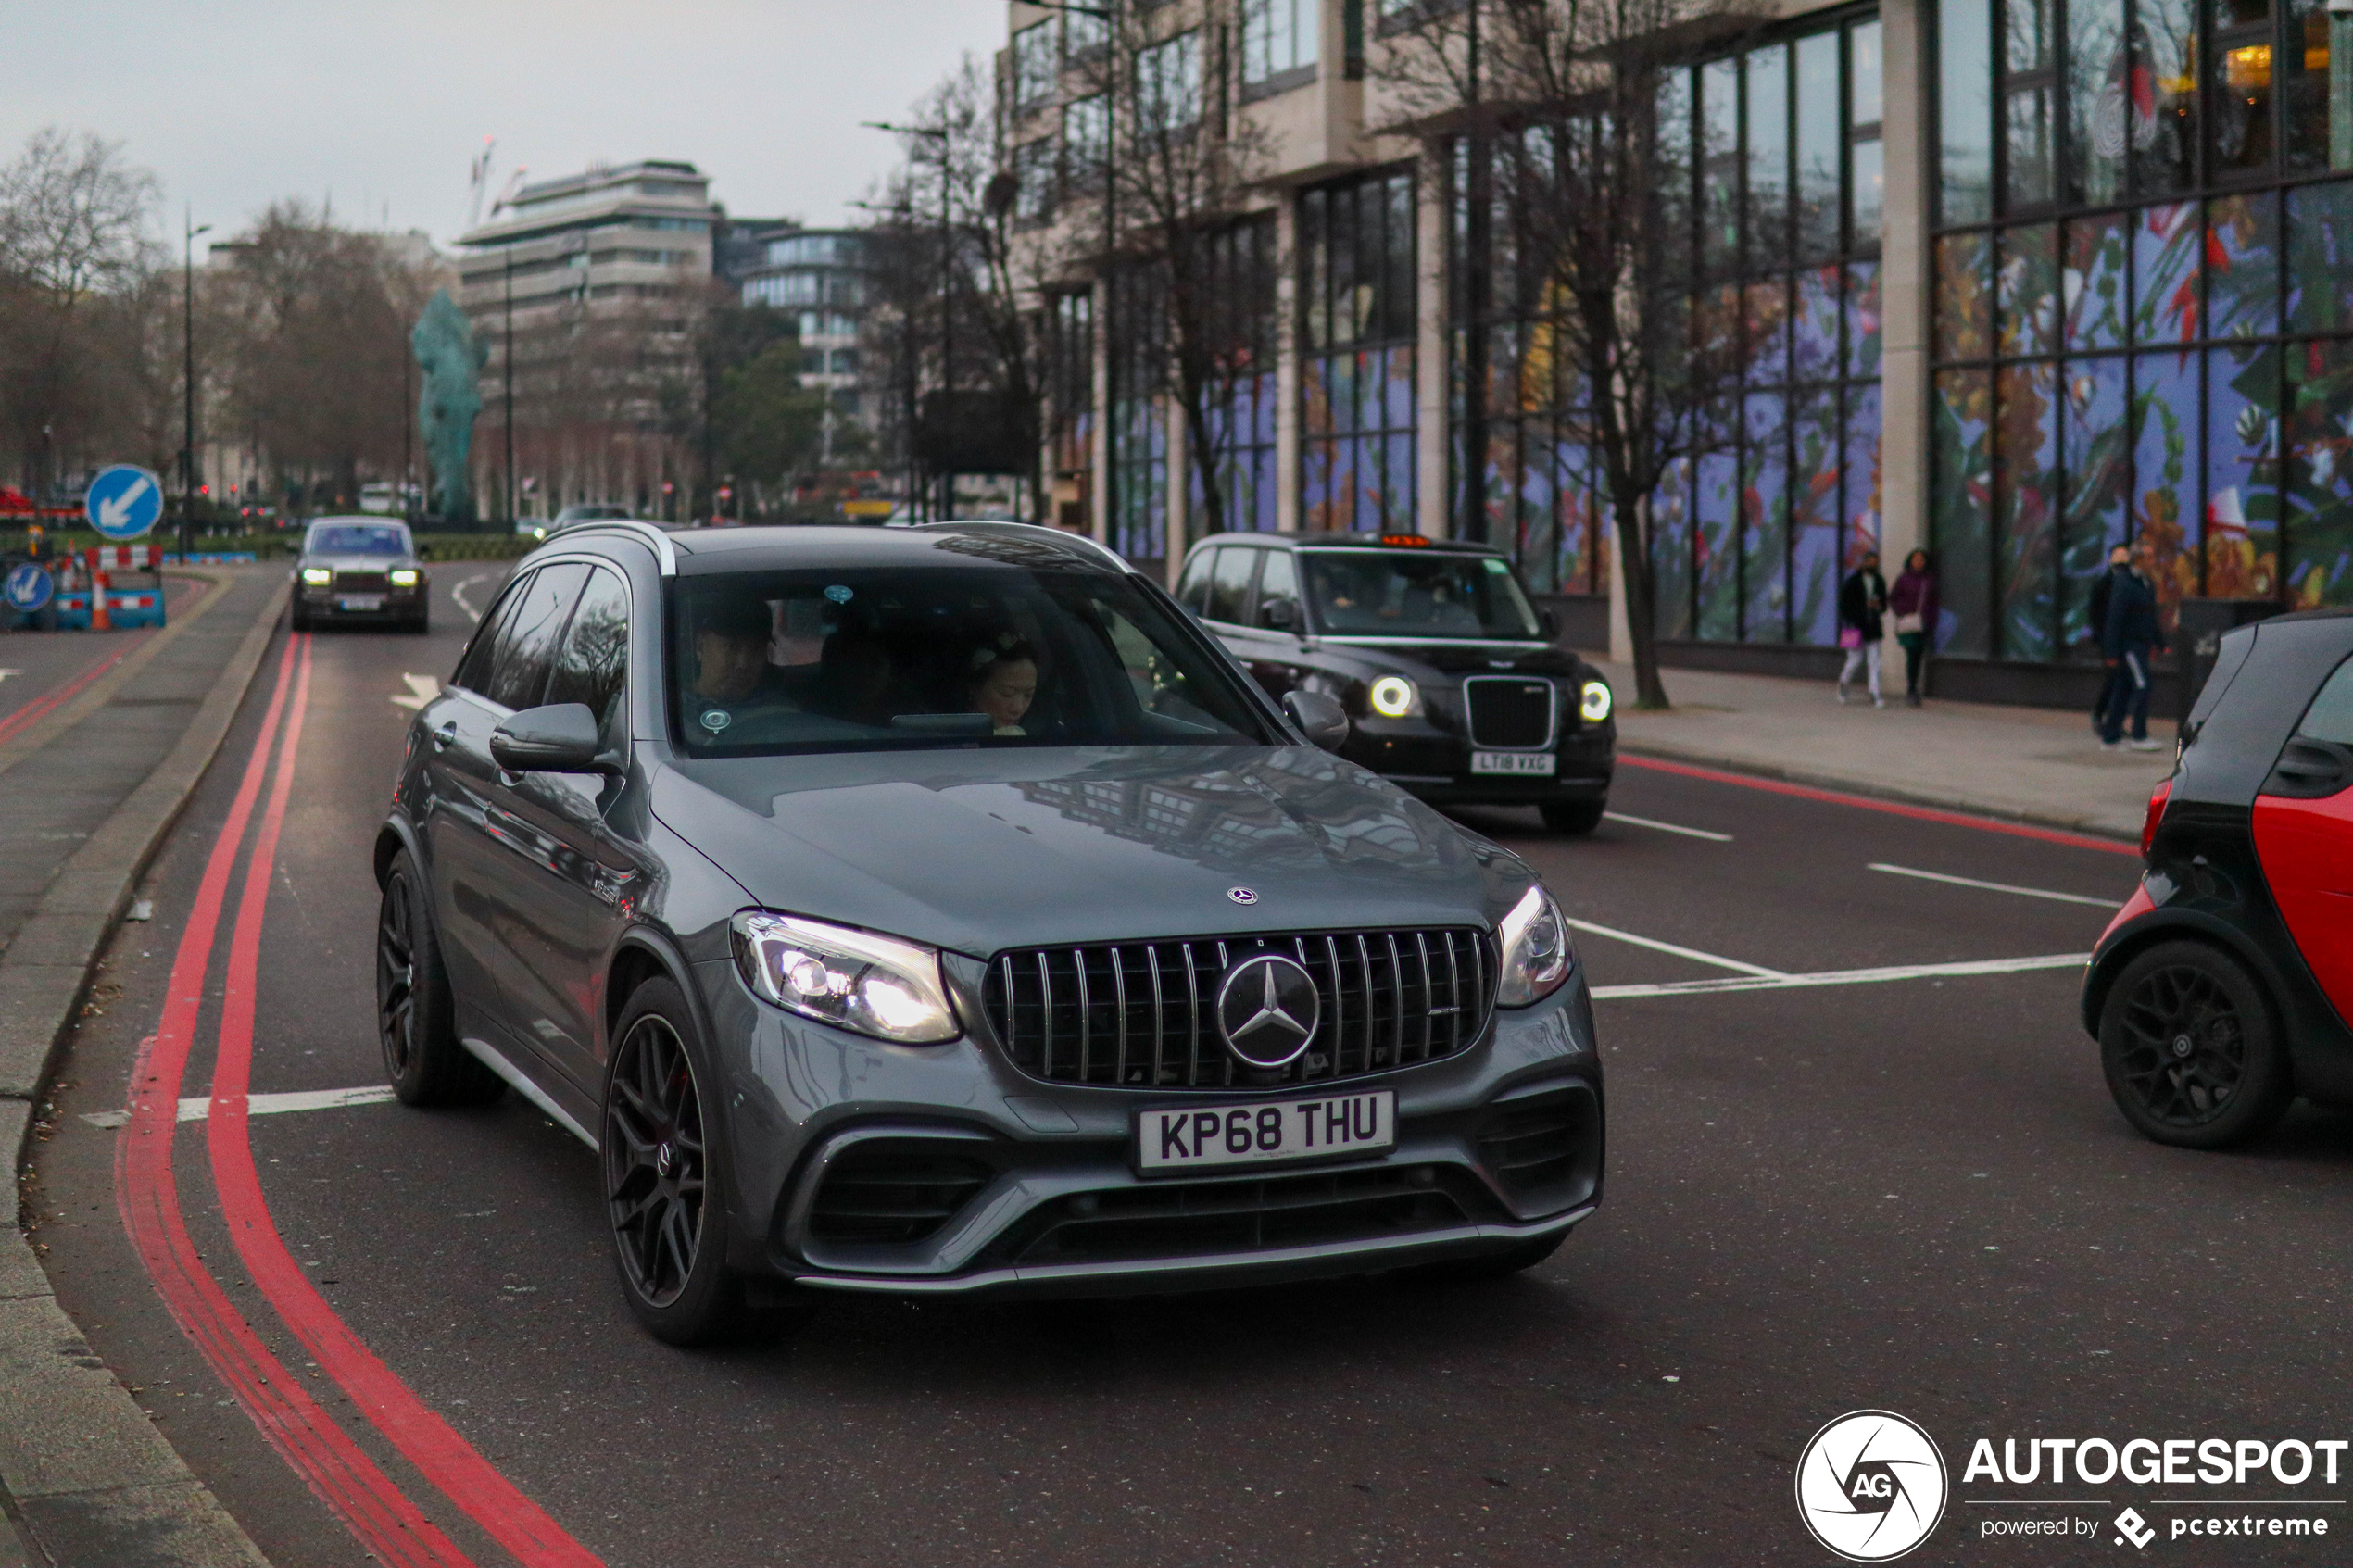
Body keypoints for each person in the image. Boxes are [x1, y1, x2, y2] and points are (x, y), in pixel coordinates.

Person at [2098, 543, 2169, 751]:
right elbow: (2114, 618)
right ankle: (2139, 735)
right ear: (2137, 560)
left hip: (2141, 644)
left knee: (2123, 688)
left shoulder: (2145, 583)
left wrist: (2159, 642)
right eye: (2148, 557)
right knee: (2142, 685)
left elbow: (2149, 616)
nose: (2153, 561)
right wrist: (2111, 651)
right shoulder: (2125, 583)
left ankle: (2110, 737)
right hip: (2129, 646)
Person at [2086, 543, 2131, 734]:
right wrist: (2102, 637)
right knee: (2113, 678)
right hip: (2109, 640)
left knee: (2124, 681)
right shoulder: (2104, 584)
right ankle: (2100, 713)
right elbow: (2095, 613)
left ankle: (2115, 720)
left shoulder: (2129, 583)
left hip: (2125, 639)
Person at [1835, 550, 1889, 707]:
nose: (1873, 564)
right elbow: (1844, 605)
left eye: (1875, 562)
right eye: (1870, 561)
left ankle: (1875, 692)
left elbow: (1884, 604)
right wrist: (1859, 610)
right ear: (1864, 562)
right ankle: (1843, 683)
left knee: (1875, 662)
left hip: (1873, 626)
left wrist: (1878, 606)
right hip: (1856, 626)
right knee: (1855, 660)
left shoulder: (1879, 581)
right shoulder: (1853, 581)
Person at [1888, 548, 1939, 708]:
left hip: (1924, 624)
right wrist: (1902, 611)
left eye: (1921, 560)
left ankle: (1914, 688)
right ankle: (1911, 688)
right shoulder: (1903, 579)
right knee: (1912, 653)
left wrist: (1931, 621)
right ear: (1910, 561)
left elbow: (1934, 602)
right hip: (1908, 624)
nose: (1919, 562)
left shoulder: (1929, 580)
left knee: (1918, 655)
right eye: (1916, 559)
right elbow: (1893, 598)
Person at [966, 640, 1040, 735]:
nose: (1018, 708)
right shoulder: (947, 736)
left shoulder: (1046, 734)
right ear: (974, 686)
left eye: (1028, 695)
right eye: (1007, 693)